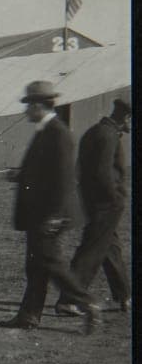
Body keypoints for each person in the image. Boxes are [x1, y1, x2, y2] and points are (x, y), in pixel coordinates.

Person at [0, 80, 99, 333]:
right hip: (40, 213)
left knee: (51, 263)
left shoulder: (58, 133)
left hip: (51, 215)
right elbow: (44, 171)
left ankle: (89, 303)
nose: (25, 112)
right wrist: (20, 175)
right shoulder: (46, 131)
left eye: (28, 106)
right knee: (36, 265)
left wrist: (54, 216)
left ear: (38, 106)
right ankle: (29, 316)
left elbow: (64, 179)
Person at [55, 98, 132, 316]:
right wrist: (116, 198)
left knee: (110, 247)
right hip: (105, 204)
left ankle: (125, 296)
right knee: (91, 250)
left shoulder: (95, 131)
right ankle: (68, 301)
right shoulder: (108, 136)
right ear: (125, 117)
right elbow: (103, 174)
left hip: (92, 201)